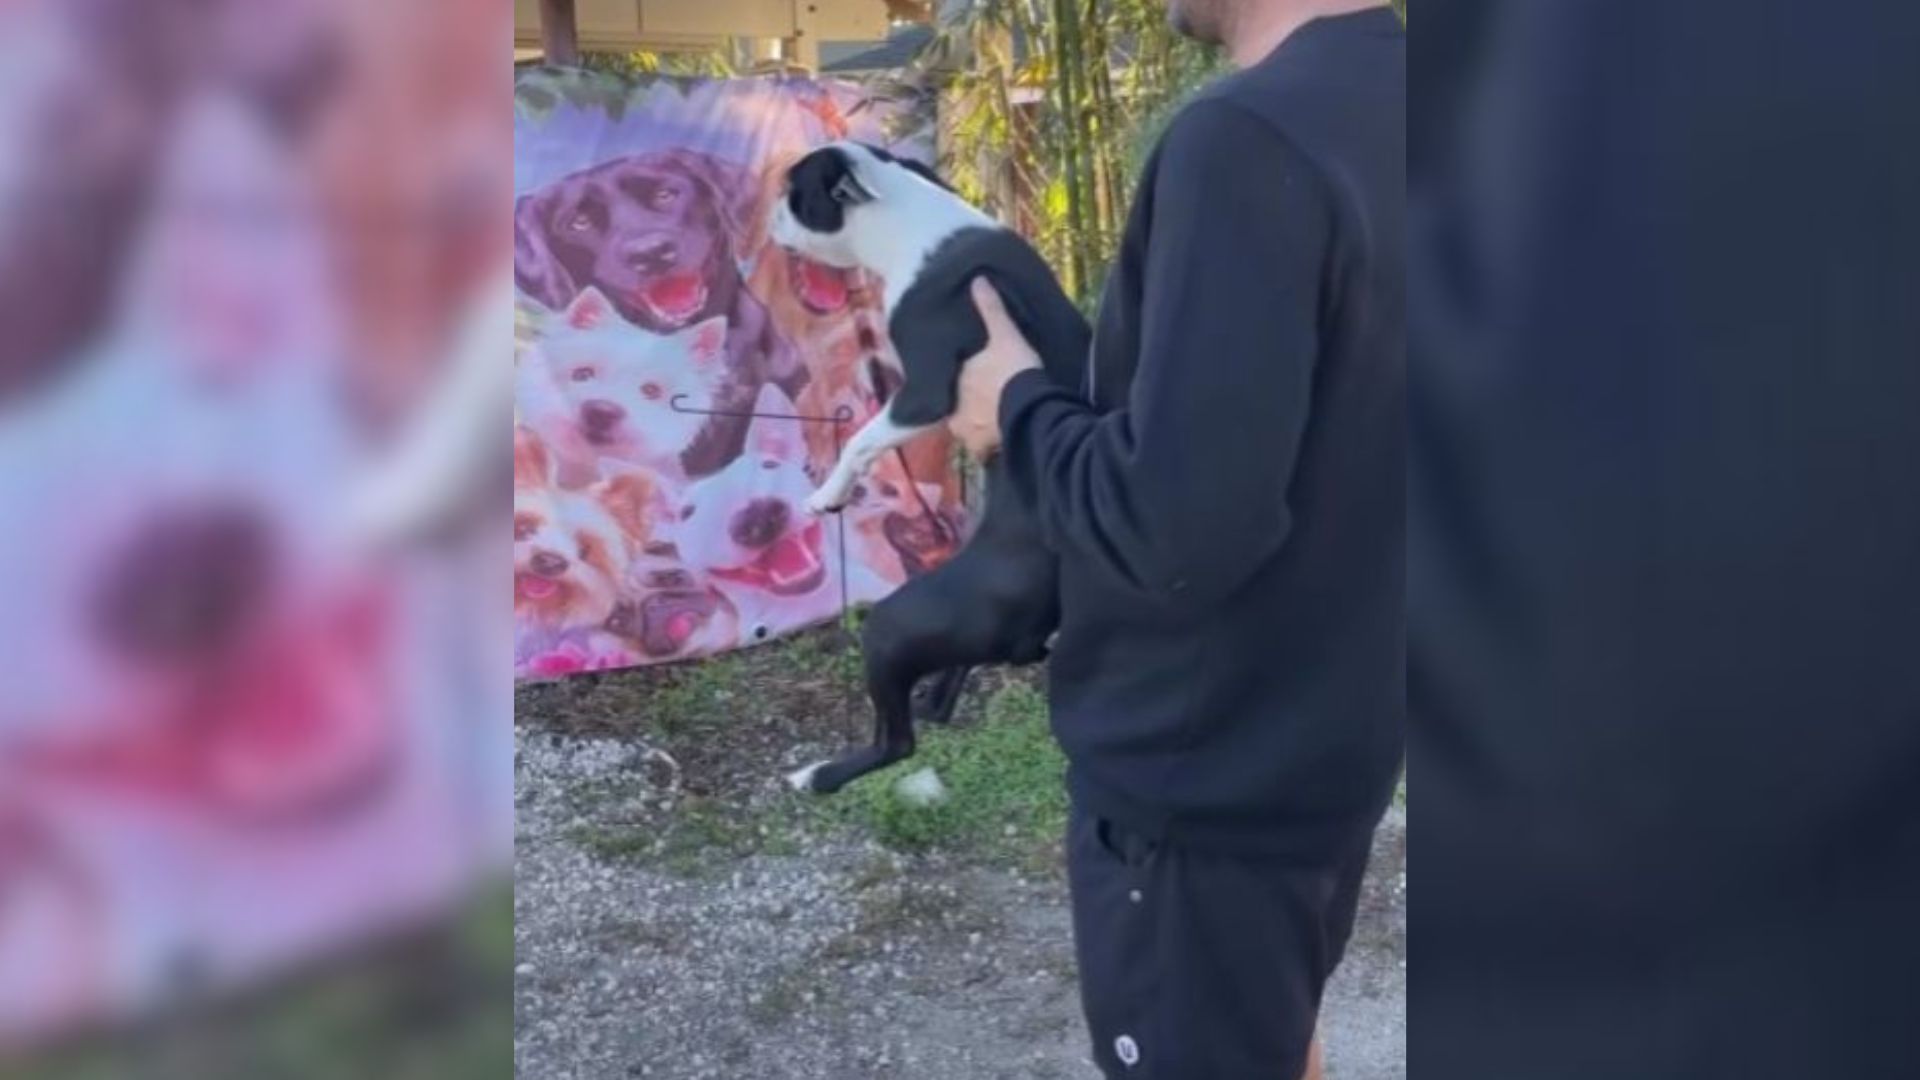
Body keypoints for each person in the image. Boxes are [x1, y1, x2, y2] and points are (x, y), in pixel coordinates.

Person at [946, 2, 1404, 1076]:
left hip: (1206, 788)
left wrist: (1012, 405)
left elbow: (1178, 528)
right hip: (1328, 742)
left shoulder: (1248, 138)